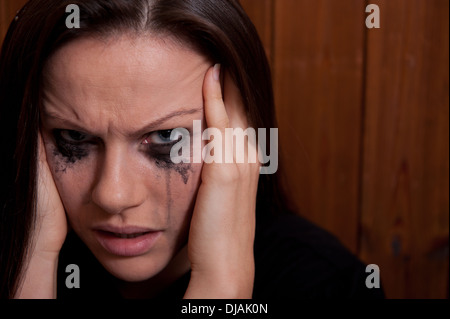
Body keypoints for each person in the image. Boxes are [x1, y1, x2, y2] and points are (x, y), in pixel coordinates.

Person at [0, 0, 384, 299]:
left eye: (168, 139)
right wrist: (30, 265)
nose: (113, 195)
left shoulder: (326, 287)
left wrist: (223, 282)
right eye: (74, 138)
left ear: (239, 134)